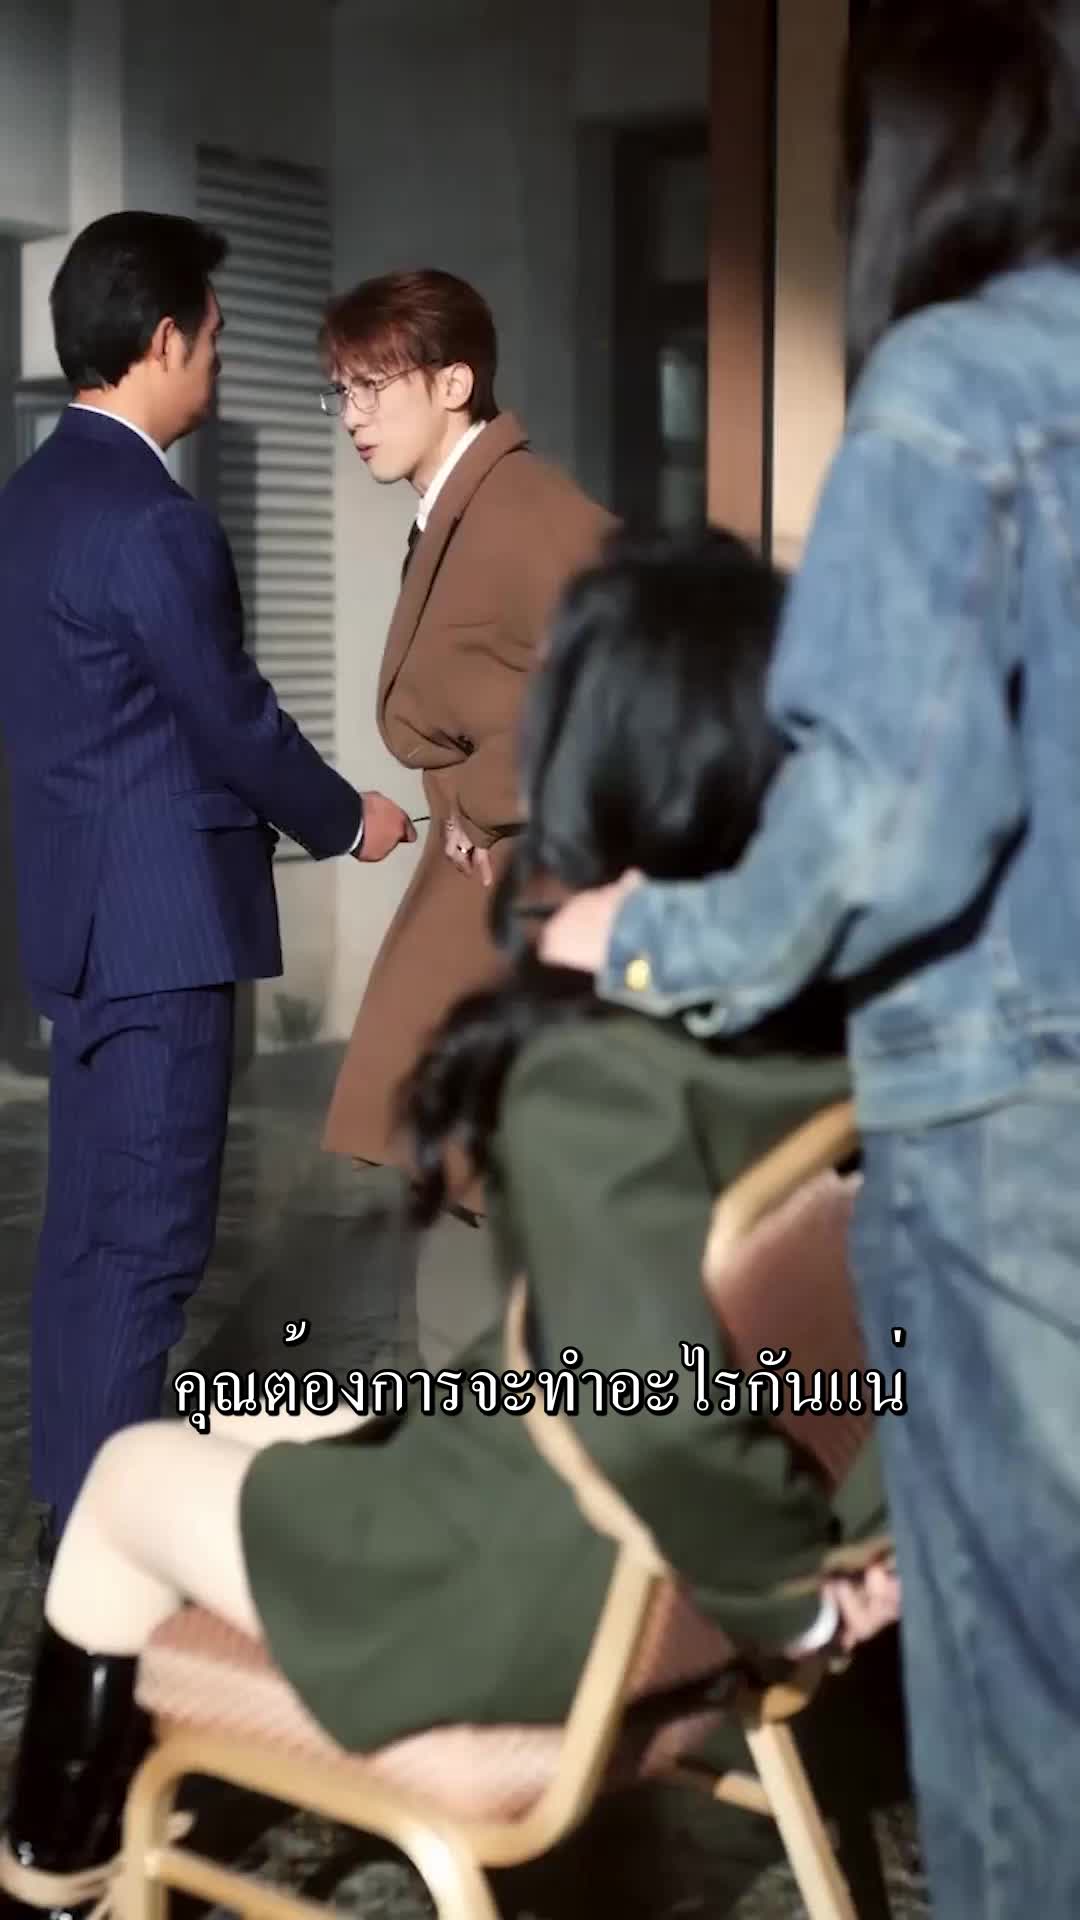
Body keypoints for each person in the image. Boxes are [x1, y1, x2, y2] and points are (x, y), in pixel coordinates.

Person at [0, 532, 895, 1920]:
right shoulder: (838, 1043)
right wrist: (832, 1568)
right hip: (633, 1542)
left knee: (124, 1479)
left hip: (520, 1592)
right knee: (281, 1425)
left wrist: (792, 1595)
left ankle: (49, 1885)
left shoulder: (599, 1074)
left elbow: (654, 1412)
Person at [539, 5, 1080, 1914]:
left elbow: (890, 821)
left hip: (1014, 1123)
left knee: (1025, 1698)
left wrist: (648, 934)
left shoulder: (954, 386)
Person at [0, 212, 414, 1561]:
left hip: (78, 927)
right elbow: (233, 721)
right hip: (162, 937)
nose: (223, 360)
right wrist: (349, 820)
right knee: (148, 1250)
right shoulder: (156, 525)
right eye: (217, 336)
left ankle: (71, 1512)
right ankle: (106, 1558)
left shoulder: (27, 504)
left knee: (84, 1245)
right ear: (165, 338)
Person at [319, 269, 615, 1213]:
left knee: (508, 1164)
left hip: (532, 871)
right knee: (462, 1151)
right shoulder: (460, 505)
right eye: (342, 391)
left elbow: (619, 673)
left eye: (374, 386)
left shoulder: (524, 507)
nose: (353, 414)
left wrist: (486, 801)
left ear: (454, 382)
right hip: (489, 867)